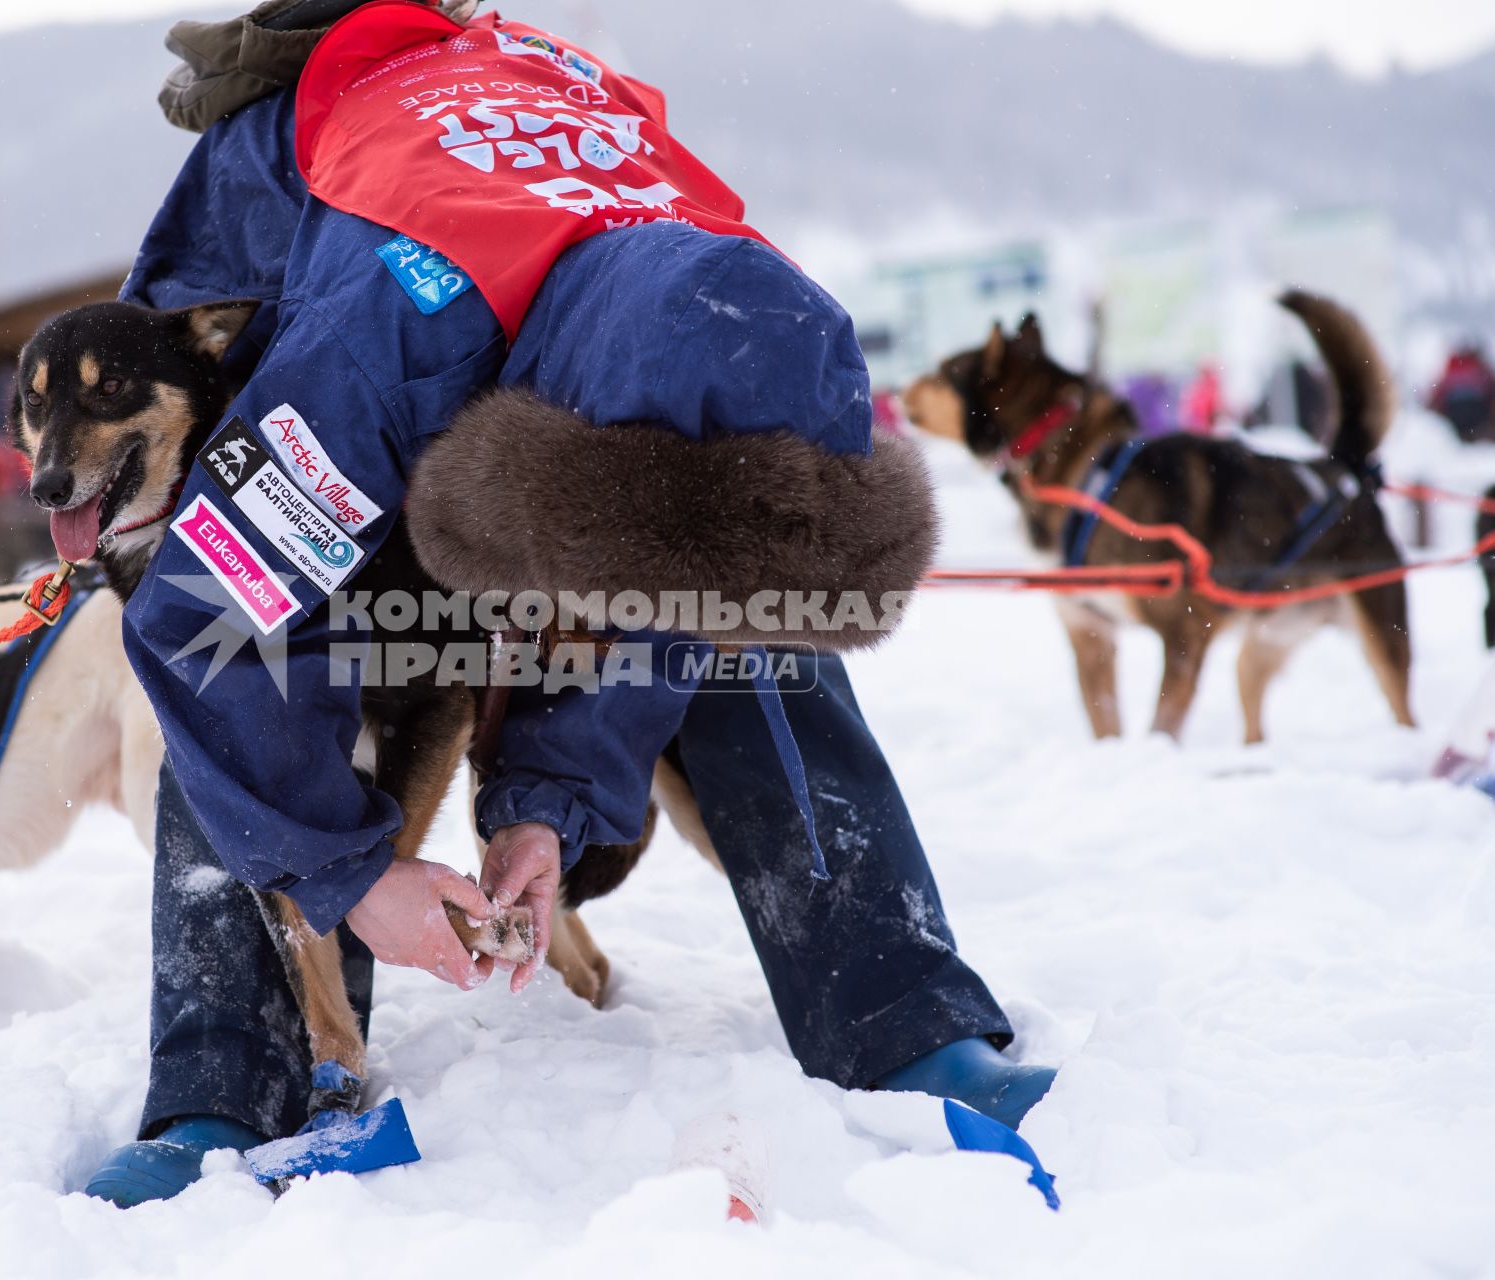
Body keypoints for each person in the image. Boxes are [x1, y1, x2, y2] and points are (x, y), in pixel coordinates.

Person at [85, 0, 1054, 1206]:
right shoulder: (370, 349)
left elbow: (669, 573)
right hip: (320, 262)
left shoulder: (753, 309)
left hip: (534, 255)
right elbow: (193, 625)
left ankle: (899, 1013)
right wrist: (353, 875)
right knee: (256, 633)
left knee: (760, 617)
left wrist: (542, 801)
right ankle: (222, 1085)